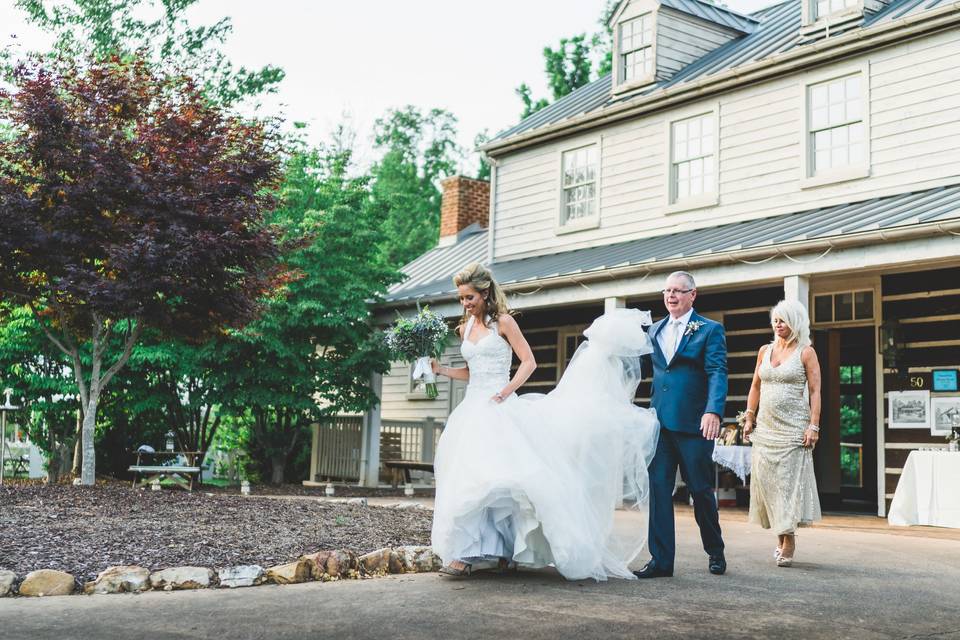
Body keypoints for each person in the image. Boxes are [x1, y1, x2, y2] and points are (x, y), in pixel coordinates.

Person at [430, 262, 659, 580]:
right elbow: (471, 372)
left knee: (505, 482)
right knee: (473, 480)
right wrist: (441, 370)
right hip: (471, 409)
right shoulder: (465, 328)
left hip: (500, 407)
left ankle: (489, 553)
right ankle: (479, 551)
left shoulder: (504, 323)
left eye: (469, 298)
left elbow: (529, 361)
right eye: (461, 299)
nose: (464, 304)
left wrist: (506, 390)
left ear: (484, 294)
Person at [635, 271, 728, 579]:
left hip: (694, 425)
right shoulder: (654, 331)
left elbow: (717, 372)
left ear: (692, 295)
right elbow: (643, 368)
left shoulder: (709, 330)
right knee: (659, 490)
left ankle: (715, 550)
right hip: (659, 424)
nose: (671, 295)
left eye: (678, 291)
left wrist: (713, 411)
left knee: (700, 491)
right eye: (667, 291)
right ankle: (661, 560)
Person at [742, 299, 822, 567]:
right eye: (775, 320)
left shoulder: (805, 352)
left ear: (795, 322)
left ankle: (788, 539)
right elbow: (755, 386)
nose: (778, 325)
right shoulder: (764, 350)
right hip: (766, 428)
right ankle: (781, 532)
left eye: (783, 320)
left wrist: (813, 425)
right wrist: (749, 417)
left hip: (793, 430)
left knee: (787, 485)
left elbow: (814, 391)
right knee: (768, 483)